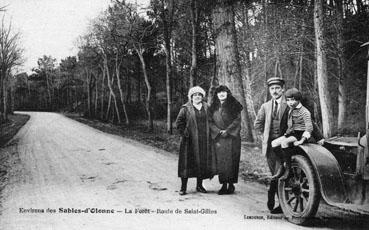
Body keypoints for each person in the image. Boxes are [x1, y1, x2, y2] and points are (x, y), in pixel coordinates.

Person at [254, 77, 288, 213]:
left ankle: (273, 195)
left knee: (279, 174)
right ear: (269, 90)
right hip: (270, 148)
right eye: (272, 89)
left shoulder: (289, 103)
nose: (274, 91)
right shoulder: (266, 106)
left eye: (277, 88)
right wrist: (264, 137)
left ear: (282, 89)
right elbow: (257, 125)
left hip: (284, 146)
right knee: (274, 172)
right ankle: (278, 200)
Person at [175, 86, 217, 195]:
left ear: (202, 96)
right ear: (191, 97)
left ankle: (199, 186)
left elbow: (212, 121)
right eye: (195, 95)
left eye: (199, 95)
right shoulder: (185, 108)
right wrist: (185, 133)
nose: (197, 97)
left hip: (204, 140)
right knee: (187, 163)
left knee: (202, 162)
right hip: (189, 141)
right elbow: (179, 122)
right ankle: (183, 188)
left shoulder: (207, 107)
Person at [270, 88, 313, 180]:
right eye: (288, 100)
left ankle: (288, 170)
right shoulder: (291, 109)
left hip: (300, 134)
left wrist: (302, 140)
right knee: (274, 143)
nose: (290, 102)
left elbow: (309, 128)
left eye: (293, 100)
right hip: (291, 133)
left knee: (284, 143)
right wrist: (287, 133)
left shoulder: (304, 112)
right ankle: (282, 165)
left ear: (298, 99)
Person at [209, 85, 243, 195]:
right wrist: (218, 131)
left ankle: (231, 184)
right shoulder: (213, 106)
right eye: (219, 93)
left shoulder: (234, 105)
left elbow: (237, 120)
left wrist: (227, 131)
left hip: (232, 137)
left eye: (223, 92)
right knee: (222, 162)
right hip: (219, 138)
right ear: (216, 95)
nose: (221, 94)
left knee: (232, 161)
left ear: (227, 93)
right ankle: (224, 185)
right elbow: (210, 122)